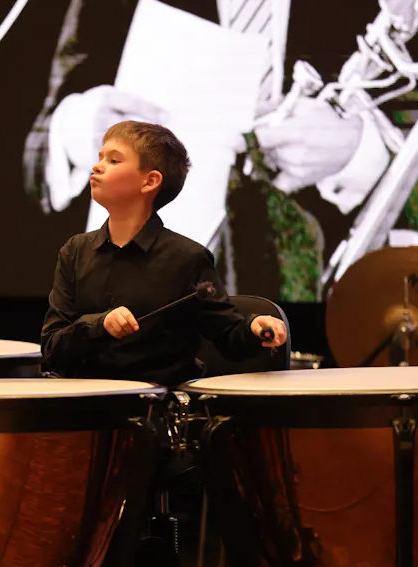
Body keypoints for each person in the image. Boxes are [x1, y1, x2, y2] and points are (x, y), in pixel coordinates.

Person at [40, 120, 287, 386]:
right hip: (82, 402)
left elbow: (228, 335)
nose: (97, 166)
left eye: (113, 160)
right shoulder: (75, 251)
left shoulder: (187, 258)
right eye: (100, 157)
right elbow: (52, 347)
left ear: (150, 181)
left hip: (155, 405)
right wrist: (99, 325)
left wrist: (254, 327)